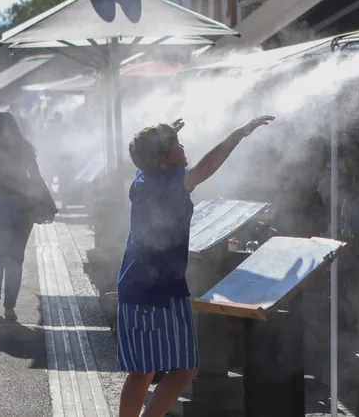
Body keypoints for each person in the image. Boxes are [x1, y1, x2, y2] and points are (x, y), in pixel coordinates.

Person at [117, 115, 275, 417]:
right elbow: (207, 166)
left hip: (142, 285)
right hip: (156, 289)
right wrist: (238, 133)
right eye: (177, 146)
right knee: (176, 369)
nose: (183, 148)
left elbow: (146, 160)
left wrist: (165, 137)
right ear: (164, 159)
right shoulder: (170, 183)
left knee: (149, 370)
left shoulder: (142, 179)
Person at [0, 112, 57, 321]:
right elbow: (37, 178)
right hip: (22, 209)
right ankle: (10, 307)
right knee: (15, 258)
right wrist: (46, 203)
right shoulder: (26, 150)